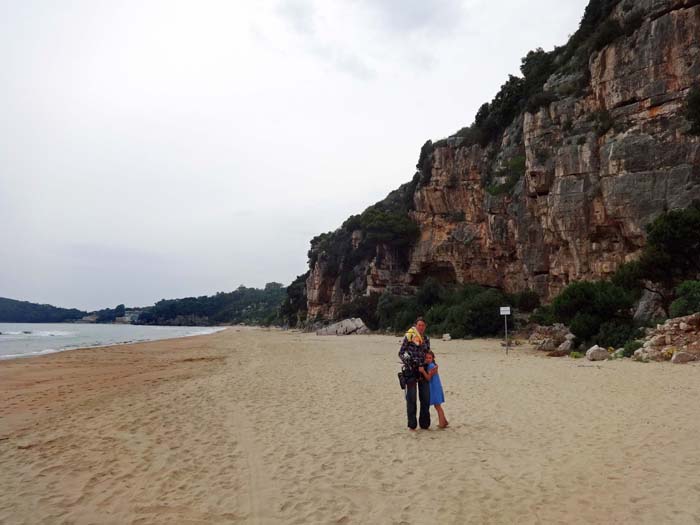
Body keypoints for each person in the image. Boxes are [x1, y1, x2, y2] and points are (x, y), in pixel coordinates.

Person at [398, 317, 431, 430]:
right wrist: (410, 362)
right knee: (411, 399)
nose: (421, 327)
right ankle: (412, 424)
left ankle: (425, 424)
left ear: (425, 327)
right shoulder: (409, 337)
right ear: (416, 326)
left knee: (425, 398)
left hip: (424, 371)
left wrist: (432, 365)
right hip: (411, 371)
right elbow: (401, 353)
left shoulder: (426, 339)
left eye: (423, 325)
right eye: (419, 325)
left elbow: (428, 354)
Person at [419, 350, 448, 428]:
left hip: (435, 387)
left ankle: (442, 424)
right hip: (436, 386)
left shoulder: (431, 366)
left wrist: (422, 371)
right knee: (438, 405)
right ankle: (444, 421)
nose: (428, 359)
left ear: (433, 358)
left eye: (430, 358)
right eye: (427, 358)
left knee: (437, 406)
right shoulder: (433, 365)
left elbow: (428, 378)